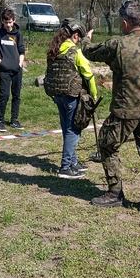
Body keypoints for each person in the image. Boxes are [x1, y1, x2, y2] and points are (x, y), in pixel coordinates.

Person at [83, 1, 140, 213]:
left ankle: (115, 192)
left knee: (106, 144)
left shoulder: (117, 45)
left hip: (124, 111)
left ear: (124, 23)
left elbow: (88, 52)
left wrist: (86, 37)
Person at [44, 19, 98, 179]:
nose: (80, 41)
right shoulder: (75, 52)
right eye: (79, 38)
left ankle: (73, 162)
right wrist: (93, 95)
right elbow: (88, 74)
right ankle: (65, 166)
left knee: (67, 128)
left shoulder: (54, 50)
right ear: (75, 36)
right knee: (73, 130)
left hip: (57, 95)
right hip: (71, 96)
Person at [0, 9, 25, 132]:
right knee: (4, 95)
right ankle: (0, 121)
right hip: (4, 70)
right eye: (6, 22)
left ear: (14, 21)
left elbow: (22, 50)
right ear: (2, 21)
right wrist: (2, 63)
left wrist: (19, 64)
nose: (8, 25)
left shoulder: (18, 34)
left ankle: (14, 120)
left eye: (10, 22)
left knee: (16, 95)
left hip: (17, 70)